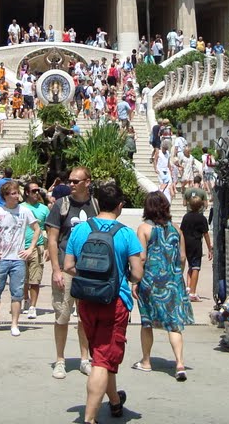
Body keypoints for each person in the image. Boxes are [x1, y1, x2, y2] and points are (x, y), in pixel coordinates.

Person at [63, 181, 143, 424]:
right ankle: (89, 418)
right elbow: (137, 274)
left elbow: (68, 266)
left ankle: (115, 402)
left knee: (100, 351)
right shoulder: (126, 233)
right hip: (114, 301)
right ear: (120, 205)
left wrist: (89, 277)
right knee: (102, 359)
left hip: (87, 299)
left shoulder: (80, 230)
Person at [132, 192, 193, 379]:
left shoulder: (143, 229)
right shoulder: (176, 230)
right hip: (173, 282)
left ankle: (146, 361)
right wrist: (176, 274)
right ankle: (180, 363)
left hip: (150, 281)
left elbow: (141, 257)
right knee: (174, 325)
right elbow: (183, 257)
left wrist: (135, 281)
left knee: (147, 322)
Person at [45, 165, 98, 379]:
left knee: (85, 317)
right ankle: (60, 359)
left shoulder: (96, 204)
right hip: (65, 268)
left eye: (76, 181)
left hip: (88, 268)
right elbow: (52, 239)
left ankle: (85, 358)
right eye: (70, 181)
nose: (71, 185)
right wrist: (56, 269)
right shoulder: (60, 205)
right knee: (62, 315)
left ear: (88, 182)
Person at [0, 180, 40, 337]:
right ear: (5, 196)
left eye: (16, 193)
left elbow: (37, 228)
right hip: (1, 258)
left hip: (18, 259)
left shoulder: (24, 211)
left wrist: (30, 248)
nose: (16, 196)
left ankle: (15, 323)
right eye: (13, 194)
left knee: (17, 293)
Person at [20, 182, 50, 320]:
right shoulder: (20, 208)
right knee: (23, 278)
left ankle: (33, 306)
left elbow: (49, 229)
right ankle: (25, 299)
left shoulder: (44, 209)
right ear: (27, 192)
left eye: (38, 190)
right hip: (20, 248)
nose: (37, 193)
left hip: (37, 247)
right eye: (33, 191)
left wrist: (48, 247)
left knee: (35, 279)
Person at [179, 193, 212, 302]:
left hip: (186, 243)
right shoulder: (202, 218)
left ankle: (188, 288)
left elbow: (181, 231)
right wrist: (209, 248)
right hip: (196, 244)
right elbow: (206, 234)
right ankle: (193, 292)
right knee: (196, 267)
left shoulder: (186, 217)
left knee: (190, 266)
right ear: (201, 206)